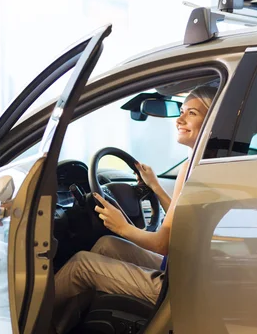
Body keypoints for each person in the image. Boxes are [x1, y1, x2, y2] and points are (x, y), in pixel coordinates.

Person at [53, 85, 218, 334]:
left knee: (81, 265)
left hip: (179, 288)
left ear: (212, 120)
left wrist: (123, 226)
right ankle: (66, 325)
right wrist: (154, 187)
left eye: (192, 113)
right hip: (189, 272)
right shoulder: (205, 161)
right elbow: (181, 218)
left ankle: (28, 322)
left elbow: (163, 243)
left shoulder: (193, 169)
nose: (179, 120)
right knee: (106, 244)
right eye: (181, 111)